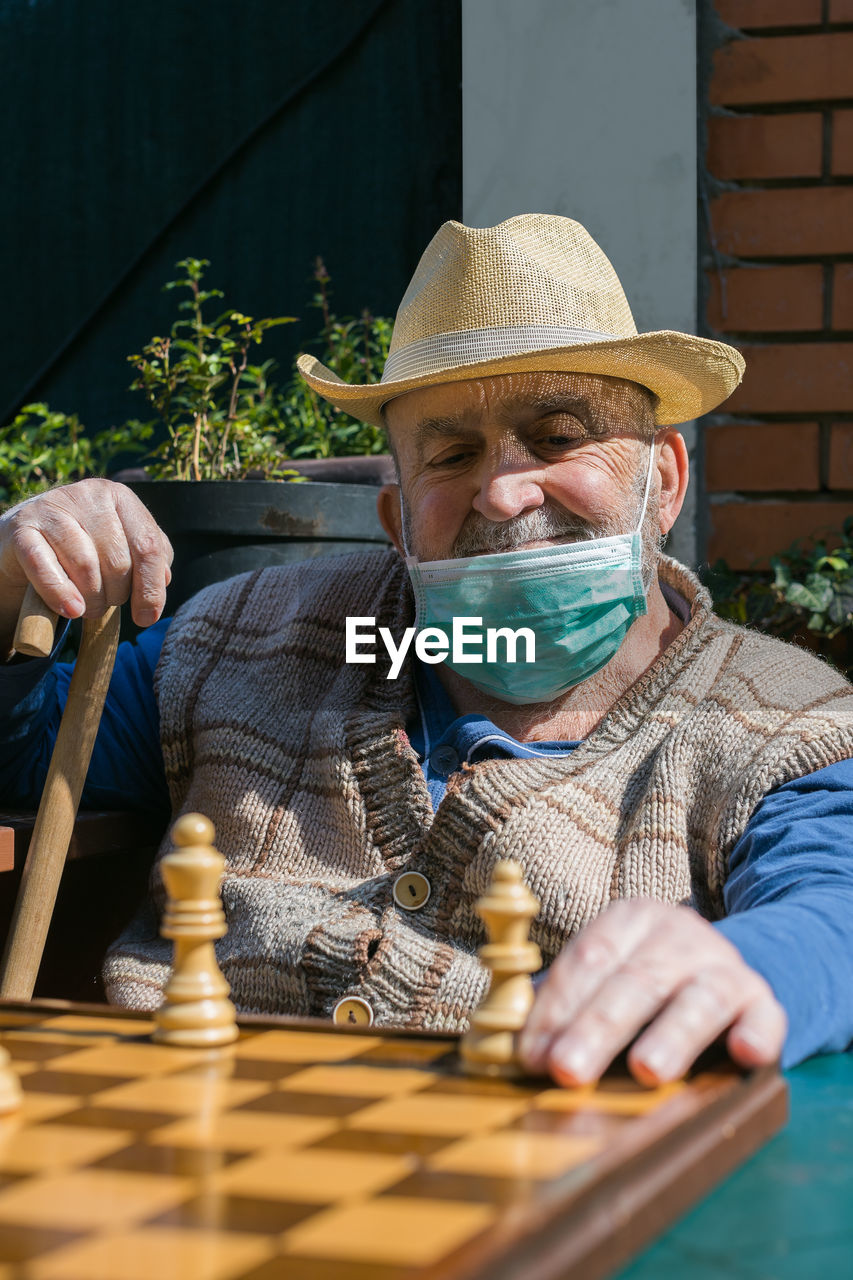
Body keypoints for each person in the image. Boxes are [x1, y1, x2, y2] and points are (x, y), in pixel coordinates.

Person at [1, 214, 851, 1088]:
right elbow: (25, 753)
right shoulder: (240, 639)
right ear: (395, 518)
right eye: (450, 453)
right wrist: (6, 583)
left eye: (559, 436)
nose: (502, 490)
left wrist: (749, 964)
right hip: (172, 1173)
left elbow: (837, 907)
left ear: (664, 480)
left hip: (538, 1203)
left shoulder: (778, 717)